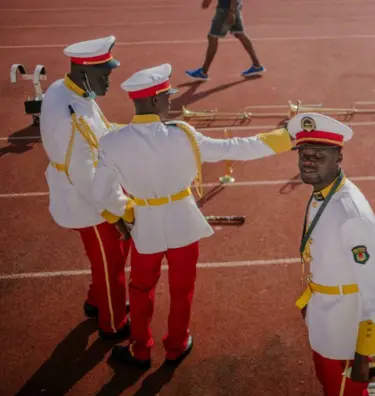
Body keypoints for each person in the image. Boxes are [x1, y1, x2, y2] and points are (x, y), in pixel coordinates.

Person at [92, 63, 294, 369]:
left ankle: (140, 349)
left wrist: (126, 210)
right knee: (182, 288)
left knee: (141, 288)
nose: (171, 101)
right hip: (183, 221)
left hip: (145, 223)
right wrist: (285, 137)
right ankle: (176, 345)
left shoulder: (112, 142)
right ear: (156, 100)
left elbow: (102, 194)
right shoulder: (183, 135)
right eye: (167, 96)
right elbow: (235, 148)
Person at [288, 113, 375, 396]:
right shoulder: (323, 193)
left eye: (319, 156)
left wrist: (364, 353)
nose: (309, 162)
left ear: (339, 157)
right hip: (324, 313)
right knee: (333, 394)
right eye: (304, 155)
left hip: (344, 328)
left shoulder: (351, 212)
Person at [40, 35, 133, 340]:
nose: (109, 82)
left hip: (95, 188)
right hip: (88, 201)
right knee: (112, 264)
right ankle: (113, 324)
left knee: (111, 258)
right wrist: (121, 209)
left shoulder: (69, 89)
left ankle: (97, 301)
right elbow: (85, 178)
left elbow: (100, 134)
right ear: (84, 73)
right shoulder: (73, 117)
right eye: (104, 76)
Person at [185, 0, 265, 81]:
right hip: (233, 6)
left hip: (226, 9)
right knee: (239, 33)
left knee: (212, 37)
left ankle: (203, 72)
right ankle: (257, 65)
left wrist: (231, 12)